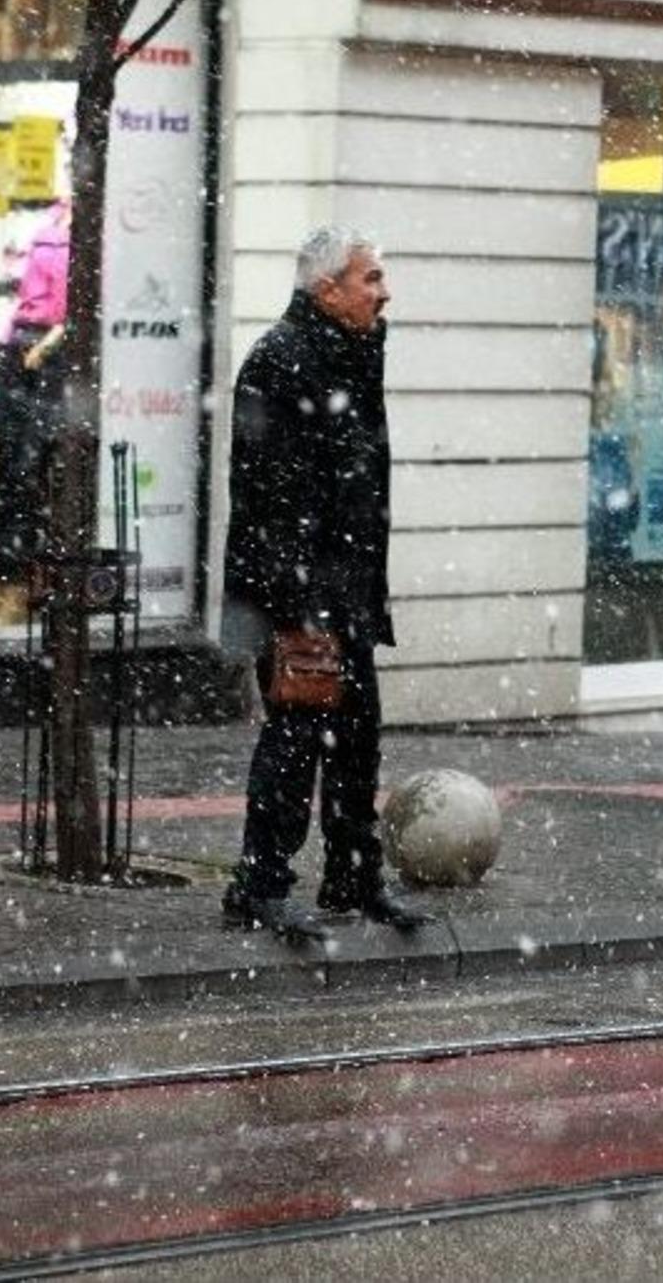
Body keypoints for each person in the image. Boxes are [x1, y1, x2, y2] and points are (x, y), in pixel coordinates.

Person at [221, 224, 431, 940]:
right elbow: (266, 496)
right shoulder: (281, 360)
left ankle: (353, 876)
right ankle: (259, 886)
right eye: (371, 278)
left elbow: (353, 484)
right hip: (298, 595)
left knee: (355, 740)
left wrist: (356, 593)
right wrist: (298, 604)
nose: (384, 291)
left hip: (346, 588)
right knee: (294, 739)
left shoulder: (352, 351)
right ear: (327, 286)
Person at [0, 196, 70, 627]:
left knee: (42, 465)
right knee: (14, 467)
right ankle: (6, 584)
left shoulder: (97, 226)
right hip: (22, 347)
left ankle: (34, 586)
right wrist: (1, 347)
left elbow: (88, 300)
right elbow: (24, 300)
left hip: (54, 354)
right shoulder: (48, 220)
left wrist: (56, 338)